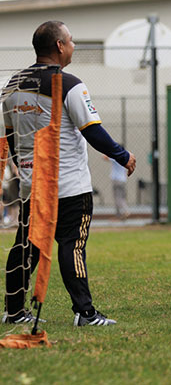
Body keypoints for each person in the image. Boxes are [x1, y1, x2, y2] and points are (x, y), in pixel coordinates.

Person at [1, 21, 136, 326]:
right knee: (71, 244)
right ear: (60, 46)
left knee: (27, 246)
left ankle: (13, 311)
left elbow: (10, 136)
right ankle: (85, 313)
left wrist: (22, 169)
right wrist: (123, 155)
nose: (73, 46)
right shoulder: (69, 83)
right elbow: (93, 131)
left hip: (31, 186)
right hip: (69, 186)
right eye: (71, 41)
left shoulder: (13, 85)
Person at [104, 155, 129, 220]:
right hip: (123, 179)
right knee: (122, 197)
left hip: (116, 179)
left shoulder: (116, 157)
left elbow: (105, 157)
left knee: (117, 197)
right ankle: (122, 213)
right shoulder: (125, 157)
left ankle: (124, 211)